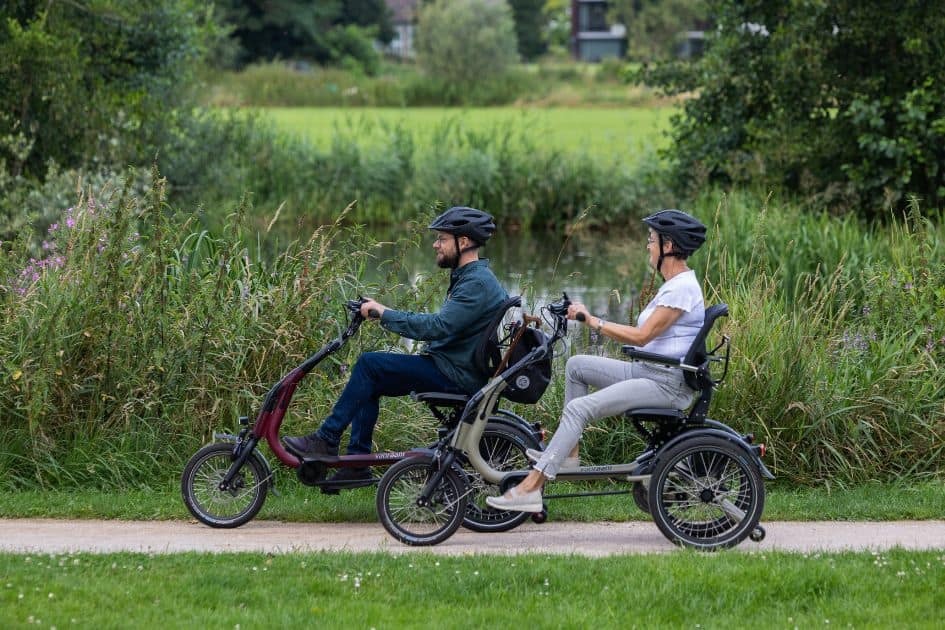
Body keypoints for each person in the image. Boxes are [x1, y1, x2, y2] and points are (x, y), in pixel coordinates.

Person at [486, 209, 707, 512]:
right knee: (577, 366)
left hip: (665, 384)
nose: (648, 245)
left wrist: (593, 321)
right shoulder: (674, 285)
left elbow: (642, 336)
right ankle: (568, 455)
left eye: (651, 240)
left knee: (580, 409)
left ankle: (531, 488)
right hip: (649, 371)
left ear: (668, 246)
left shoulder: (682, 288)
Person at [283, 206, 508, 487]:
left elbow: (438, 327)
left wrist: (385, 313)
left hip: (455, 375)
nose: (436, 245)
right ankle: (357, 463)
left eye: (442, 239)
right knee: (371, 377)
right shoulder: (472, 278)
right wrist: (382, 310)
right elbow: (445, 328)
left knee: (369, 365)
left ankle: (326, 440)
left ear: (463, 242)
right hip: (453, 366)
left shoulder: (476, 284)